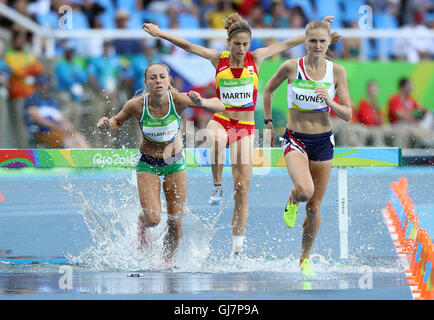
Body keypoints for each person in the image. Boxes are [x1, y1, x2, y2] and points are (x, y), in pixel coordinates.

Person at [143, 13, 333, 258]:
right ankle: (217, 184)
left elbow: (286, 44)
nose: (241, 49)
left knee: (242, 191)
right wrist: (161, 34)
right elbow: (189, 46)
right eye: (237, 44)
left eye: (245, 44)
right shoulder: (217, 59)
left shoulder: (257, 57)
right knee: (216, 139)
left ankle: (237, 249)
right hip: (222, 120)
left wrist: (317, 31)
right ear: (228, 43)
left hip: (245, 129)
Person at [96, 62, 225, 265]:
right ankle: (142, 221)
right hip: (148, 164)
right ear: (146, 82)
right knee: (153, 219)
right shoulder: (136, 105)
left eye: (162, 77)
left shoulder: (180, 100)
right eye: (153, 77)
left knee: (175, 224)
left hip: (174, 163)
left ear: (169, 80)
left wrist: (201, 101)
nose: (158, 81)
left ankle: (165, 263)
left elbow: (220, 105)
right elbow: (116, 121)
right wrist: (107, 123)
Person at [263, 20, 352, 276]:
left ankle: (304, 258)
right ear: (305, 41)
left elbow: (347, 113)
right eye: (312, 41)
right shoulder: (291, 67)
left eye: (322, 41)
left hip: (323, 141)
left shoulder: (337, 72)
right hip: (295, 139)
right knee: (304, 191)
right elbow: (268, 89)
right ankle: (293, 197)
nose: (317, 45)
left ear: (328, 43)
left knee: (314, 207)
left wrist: (331, 103)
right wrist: (269, 123)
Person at [24, 74, 89, 148]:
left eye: (45, 84)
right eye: (41, 85)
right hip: (41, 132)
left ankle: (87, 156)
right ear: (36, 86)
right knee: (67, 141)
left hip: (56, 129)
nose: (43, 87)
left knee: (78, 137)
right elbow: (37, 118)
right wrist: (57, 126)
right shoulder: (32, 99)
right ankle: (73, 157)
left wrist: (68, 126)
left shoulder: (51, 101)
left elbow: (61, 117)